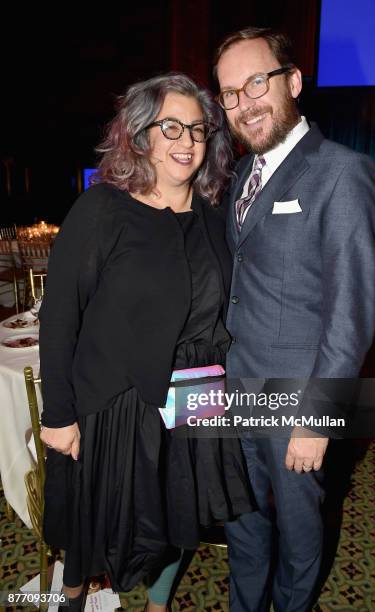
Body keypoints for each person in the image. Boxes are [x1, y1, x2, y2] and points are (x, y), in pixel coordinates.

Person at [39, 73, 253, 612]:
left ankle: (159, 605)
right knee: (97, 524)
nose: (187, 142)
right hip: (118, 401)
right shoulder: (103, 210)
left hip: (195, 395)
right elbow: (61, 316)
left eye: (199, 130)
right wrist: (59, 414)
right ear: (140, 136)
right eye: (171, 127)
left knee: (179, 513)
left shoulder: (212, 216)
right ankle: (71, 599)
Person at [213, 27, 375, 612]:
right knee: (243, 524)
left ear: (292, 81)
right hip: (234, 394)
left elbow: (352, 313)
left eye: (256, 83)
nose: (243, 103)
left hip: (294, 403)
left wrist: (316, 417)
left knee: (299, 536)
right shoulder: (240, 176)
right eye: (230, 93)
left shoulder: (343, 172)